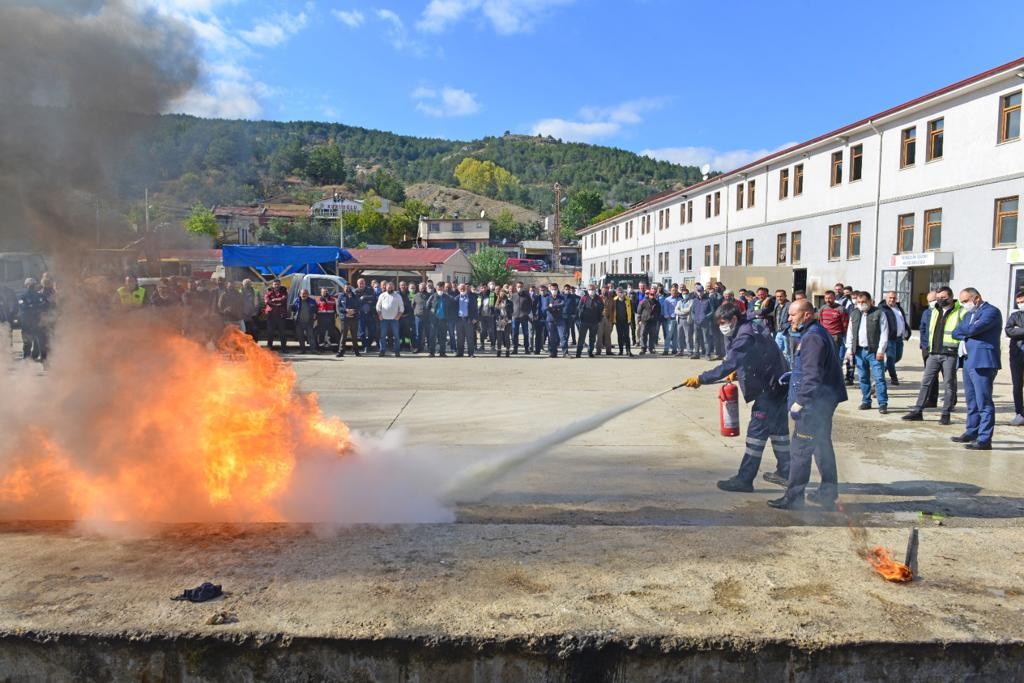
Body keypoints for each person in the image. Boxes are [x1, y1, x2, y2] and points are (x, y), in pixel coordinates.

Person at [681, 302, 790, 492]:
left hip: (770, 390)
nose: (722, 327)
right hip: (779, 386)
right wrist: (739, 372)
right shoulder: (751, 326)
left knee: (756, 436)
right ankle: (786, 473)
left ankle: (744, 479)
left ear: (733, 319)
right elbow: (754, 356)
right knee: (779, 433)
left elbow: (729, 362)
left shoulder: (744, 335)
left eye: (723, 322)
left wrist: (701, 379)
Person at [771, 300, 847, 510]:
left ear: (806, 315)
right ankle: (827, 492)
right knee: (822, 446)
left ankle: (794, 497)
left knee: (801, 450)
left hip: (813, 404)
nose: (789, 318)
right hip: (823, 400)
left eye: (793, 315)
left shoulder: (813, 337)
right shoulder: (816, 331)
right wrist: (792, 377)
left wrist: (801, 402)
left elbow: (812, 376)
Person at [950, 287, 1002, 450]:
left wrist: (966, 332)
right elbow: (955, 332)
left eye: (965, 301)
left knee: (983, 401)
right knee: (971, 400)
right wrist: (967, 332)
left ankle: (985, 439)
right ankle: (972, 431)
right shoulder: (969, 314)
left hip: (983, 361)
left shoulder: (991, 312)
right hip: (968, 360)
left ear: (977, 298)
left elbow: (972, 329)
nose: (964, 305)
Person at [903, 287, 963, 424]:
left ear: (950, 297)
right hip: (934, 353)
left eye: (943, 297)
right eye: (938, 298)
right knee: (925, 382)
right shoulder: (935, 310)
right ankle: (918, 410)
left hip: (950, 354)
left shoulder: (960, 311)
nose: (940, 300)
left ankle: (946, 414)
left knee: (949, 384)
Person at [845, 291, 889, 414]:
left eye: (863, 302)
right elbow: (850, 332)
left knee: (879, 377)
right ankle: (866, 401)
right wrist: (849, 349)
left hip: (874, 351)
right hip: (859, 351)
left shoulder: (879, 313)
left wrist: (881, 350)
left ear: (870, 301)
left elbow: (884, 333)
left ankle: (882, 403)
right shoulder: (854, 314)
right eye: (859, 302)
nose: (861, 304)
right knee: (863, 378)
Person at [879, 291, 912, 385]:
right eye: (890, 298)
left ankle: (880, 371)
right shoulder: (882, 309)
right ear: (886, 298)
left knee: (897, 357)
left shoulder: (898, 308)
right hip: (889, 337)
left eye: (894, 298)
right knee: (890, 358)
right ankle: (894, 378)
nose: (892, 299)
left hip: (899, 338)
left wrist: (907, 331)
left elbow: (902, 321)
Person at [918, 291, 940, 409]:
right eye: (930, 301)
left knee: (948, 377)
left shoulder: (944, 312)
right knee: (931, 376)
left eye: (934, 300)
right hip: (928, 349)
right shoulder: (926, 313)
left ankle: (951, 401)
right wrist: (924, 346)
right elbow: (923, 329)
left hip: (943, 349)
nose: (933, 303)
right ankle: (932, 400)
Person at [18, 278, 48, 361]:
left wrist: (31, 306)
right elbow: (23, 307)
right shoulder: (23, 296)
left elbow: (46, 306)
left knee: (36, 341)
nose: (31, 287)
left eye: (32, 285)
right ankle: (30, 359)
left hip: (34, 322)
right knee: (31, 341)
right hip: (33, 322)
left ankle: (31, 359)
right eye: (30, 285)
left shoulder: (39, 296)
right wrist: (36, 307)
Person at [1006, 289, 1024, 426]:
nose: (1020, 304)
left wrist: (1019, 330)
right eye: (1018, 302)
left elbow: (1015, 331)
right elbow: (1009, 330)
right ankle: (1019, 413)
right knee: (1017, 385)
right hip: (1016, 355)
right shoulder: (1015, 315)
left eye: (1022, 301)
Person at [374, 281, 404, 357]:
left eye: (391, 287)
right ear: (386, 287)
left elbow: (401, 308)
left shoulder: (398, 296)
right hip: (384, 319)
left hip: (394, 320)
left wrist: (398, 316)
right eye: (388, 287)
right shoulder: (382, 295)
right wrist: (379, 315)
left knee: (396, 336)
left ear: (393, 287)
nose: (389, 288)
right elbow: (378, 307)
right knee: (382, 336)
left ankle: (397, 351)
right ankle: (382, 351)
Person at [818, 290, 849, 361]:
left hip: (836, 336)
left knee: (834, 356)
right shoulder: (823, 308)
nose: (827, 300)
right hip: (824, 335)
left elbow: (845, 323)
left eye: (830, 298)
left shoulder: (841, 309)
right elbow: (820, 320)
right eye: (826, 298)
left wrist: (843, 334)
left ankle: (835, 371)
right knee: (824, 355)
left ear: (834, 298)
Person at [576, 283, 603, 358]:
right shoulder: (584, 298)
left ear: (595, 290)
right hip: (584, 321)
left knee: (592, 338)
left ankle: (590, 351)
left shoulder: (599, 298)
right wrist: (580, 317)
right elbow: (579, 308)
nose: (591, 291)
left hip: (594, 321)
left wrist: (599, 319)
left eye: (593, 289)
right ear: (587, 290)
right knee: (581, 338)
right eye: (590, 289)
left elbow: (601, 308)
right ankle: (578, 352)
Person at [352, 277, 377, 354]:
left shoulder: (370, 289)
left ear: (365, 283)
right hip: (360, 315)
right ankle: (365, 346)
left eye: (362, 283)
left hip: (370, 314)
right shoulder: (355, 291)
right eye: (360, 283)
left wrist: (364, 297)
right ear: (357, 284)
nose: (361, 284)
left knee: (372, 332)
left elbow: (374, 298)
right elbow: (355, 302)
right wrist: (363, 300)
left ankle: (368, 345)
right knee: (361, 333)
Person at [263, 279, 289, 350]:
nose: (276, 286)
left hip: (281, 316)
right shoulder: (268, 292)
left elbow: (283, 299)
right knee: (270, 332)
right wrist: (277, 304)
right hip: (271, 316)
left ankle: (284, 348)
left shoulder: (284, 291)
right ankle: (269, 348)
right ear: (272, 285)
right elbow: (266, 301)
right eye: (275, 284)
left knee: (282, 333)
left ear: (280, 285)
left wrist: (274, 300)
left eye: (277, 284)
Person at [335, 284, 360, 357]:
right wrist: (346, 310)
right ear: (343, 288)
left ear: (351, 288)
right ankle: (341, 352)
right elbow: (339, 308)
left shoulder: (355, 296)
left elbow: (359, 306)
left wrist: (354, 311)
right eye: (346, 287)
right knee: (343, 336)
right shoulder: (341, 296)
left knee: (354, 336)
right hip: (345, 319)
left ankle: (356, 351)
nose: (347, 289)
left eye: (349, 287)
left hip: (354, 319)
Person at [291, 288, 319, 353]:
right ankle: (302, 350)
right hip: (299, 322)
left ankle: (313, 350)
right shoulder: (296, 300)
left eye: (305, 293)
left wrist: (315, 318)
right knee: (300, 337)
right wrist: (293, 317)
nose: (304, 295)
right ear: (300, 294)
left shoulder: (312, 301)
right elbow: (293, 310)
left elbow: (316, 310)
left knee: (311, 336)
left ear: (308, 294)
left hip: (309, 322)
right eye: (302, 293)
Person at [689, 285, 713, 359]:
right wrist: (694, 318)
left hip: (705, 323)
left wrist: (705, 317)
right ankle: (696, 354)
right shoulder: (695, 300)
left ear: (703, 291)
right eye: (698, 291)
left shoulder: (708, 300)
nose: (699, 293)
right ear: (696, 292)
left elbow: (712, 311)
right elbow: (692, 311)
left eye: (701, 291)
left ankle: (707, 354)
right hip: (696, 323)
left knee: (706, 339)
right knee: (696, 338)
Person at [453, 282, 477, 357]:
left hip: (468, 319)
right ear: (458, 289)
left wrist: (475, 318)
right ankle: (460, 353)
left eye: (464, 288)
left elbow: (475, 309)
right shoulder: (456, 298)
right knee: (460, 338)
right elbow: (453, 310)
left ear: (466, 288)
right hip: (459, 320)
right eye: (461, 288)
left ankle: (471, 353)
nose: (462, 289)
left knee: (470, 337)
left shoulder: (471, 298)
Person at [637, 289, 661, 355]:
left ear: (655, 295)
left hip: (653, 322)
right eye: (651, 294)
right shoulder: (643, 302)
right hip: (644, 321)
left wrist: (657, 320)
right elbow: (639, 312)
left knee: (652, 336)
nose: (652, 296)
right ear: (649, 294)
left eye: (654, 294)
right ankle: (643, 349)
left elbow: (659, 312)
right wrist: (639, 320)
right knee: (643, 335)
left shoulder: (657, 303)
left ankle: (651, 349)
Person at [428, 282, 449, 357]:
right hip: (434, 320)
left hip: (443, 320)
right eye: (438, 289)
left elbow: (450, 308)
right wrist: (430, 316)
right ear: (436, 289)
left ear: (443, 288)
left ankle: (442, 352)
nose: (439, 290)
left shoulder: (447, 297)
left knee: (442, 337)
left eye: (441, 288)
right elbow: (427, 307)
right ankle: (431, 353)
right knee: (432, 337)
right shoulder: (432, 297)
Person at [612, 287, 633, 356]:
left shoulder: (628, 300)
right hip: (618, 321)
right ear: (616, 293)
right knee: (620, 336)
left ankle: (628, 351)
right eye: (619, 292)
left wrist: (631, 321)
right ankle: (621, 351)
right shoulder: (614, 300)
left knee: (627, 336)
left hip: (626, 321)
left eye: (622, 292)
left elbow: (631, 311)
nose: (621, 293)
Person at [413, 281, 433, 354]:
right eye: (421, 288)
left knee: (428, 333)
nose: (422, 289)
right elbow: (413, 305)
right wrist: (416, 313)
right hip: (418, 317)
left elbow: (432, 305)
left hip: (427, 317)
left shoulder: (430, 295)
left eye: (424, 287)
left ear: (426, 288)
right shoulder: (416, 296)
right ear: (419, 288)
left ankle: (430, 348)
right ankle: (418, 348)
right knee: (418, 334)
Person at [512, 282, 532, 355]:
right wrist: (511, 314)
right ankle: (515, 349)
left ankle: (527, 349)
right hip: (515, 317)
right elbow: (510, 306)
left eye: (520, 287)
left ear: (523, 287)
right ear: (516, 287)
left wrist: (527, 313)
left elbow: (530, 305)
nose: (519, 288)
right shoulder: (513, 296)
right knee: (514, 334)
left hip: (524, 317)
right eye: (518, 287)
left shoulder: (527, 296)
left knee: (526, 334)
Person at [772, 289, 791, 362]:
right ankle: (781, 368)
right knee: (778, 351)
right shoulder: (777, 305)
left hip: (787, 332)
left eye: (781, 296)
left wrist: (786, 326)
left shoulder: (789, 305)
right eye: (777, 296)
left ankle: (789, 370)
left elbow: (792, 319)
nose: (779, 298)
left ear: (785, 296)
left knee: (787, 353)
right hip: (778, 331)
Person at [662, 285, 681, 355]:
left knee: (676, 335)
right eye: (673, 290)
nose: (674, 292)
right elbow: (665, 309)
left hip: (678, 319)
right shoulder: (667, 299)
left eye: (676, 291)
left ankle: (674, 349)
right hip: (671, 319)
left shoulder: (680, 299)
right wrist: (668, 317)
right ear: (670, 291)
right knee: (669, 335)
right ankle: (666, 350)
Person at [494, 290, 513, 357]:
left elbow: (511, 311)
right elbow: (495, 312)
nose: (502, 295)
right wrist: (500, 318)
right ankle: (499, 351)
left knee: (506, 336)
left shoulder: (509, 302)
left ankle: (507, 351)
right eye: (500, 293)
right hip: (499, 321)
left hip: (507, 321)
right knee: (499, 337)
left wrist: (506, 319)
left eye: (503, 293)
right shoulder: (497, 302)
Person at [561, 284, 578, 355]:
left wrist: (574, 314)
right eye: (566, 289)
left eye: (568, 289)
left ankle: (565, 349)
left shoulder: (572, 297)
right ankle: (564, 349)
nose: (567, 290)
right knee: (563, 333)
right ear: (564, 289)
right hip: (562, 317)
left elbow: (575, 306)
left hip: (569, 317)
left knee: (567, 333)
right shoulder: (561, 297)